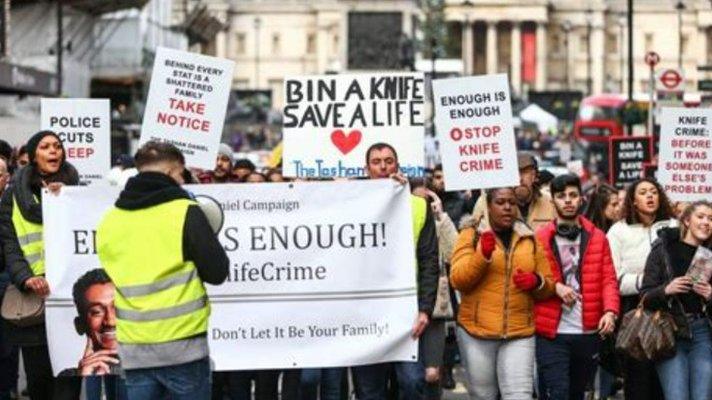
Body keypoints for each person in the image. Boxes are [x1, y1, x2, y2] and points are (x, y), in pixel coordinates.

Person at [96, 141, 229, 399]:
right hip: (184, 347)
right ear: (170, 173)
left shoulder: (109, 220)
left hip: (135, 349)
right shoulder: (185, 212)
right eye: (181, 174)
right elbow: (217, 272)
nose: (183, 181)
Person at [351, 142, 439, 400]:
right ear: (366, 169)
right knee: (370, 390)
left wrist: (425, 309)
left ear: (397, 165)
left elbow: (429, 261)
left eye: (388, 161)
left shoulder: (417, 206)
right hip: (365, 314)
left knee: (412, 383)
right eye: (376, 162)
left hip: (406, 313)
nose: (383, 167)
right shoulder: (351, 204)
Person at [451, 187, 556, 400]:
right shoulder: (470, 235)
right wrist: (482, 256)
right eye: (500, 202)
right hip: (477, 333)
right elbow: (459, 280)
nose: (507, 207)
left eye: (512, 202)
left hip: (519, 332)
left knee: (520, 395)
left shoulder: (529, 238)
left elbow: (549, 286)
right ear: (488, 206)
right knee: (484, 395)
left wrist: (537, 282)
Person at [0, 131, 81, 400]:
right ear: (34, 156)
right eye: (45, 147)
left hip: (70, 299)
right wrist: (26, 278)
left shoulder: (77, 190)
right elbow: (9, 244)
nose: (53, 151)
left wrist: (64, 198)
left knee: (69, 379)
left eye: (58, 146)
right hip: (35, 298)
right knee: (39, 381)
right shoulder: (13, 196)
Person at [533, 175, 620, 400]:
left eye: (573, 195)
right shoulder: (539, 239)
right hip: (552, 332)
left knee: (577, 394)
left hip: (588, 331)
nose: (568, 201)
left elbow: (608, 278)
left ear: (581, 199)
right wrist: (556, 288)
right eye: (561, 196)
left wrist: (610, 312)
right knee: (556, 393)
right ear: (552, 201)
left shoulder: (597, 237)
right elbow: (532, 279)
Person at [606, 177, 674, 400]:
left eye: (654, 191)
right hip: (634, 311)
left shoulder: (673, 226)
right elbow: (612, 277)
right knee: (638, 379)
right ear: (633, 201)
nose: (650, 196)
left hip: (670, 309)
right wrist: (646, 282)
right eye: (643, 192)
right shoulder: (618, 231)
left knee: (666, 380)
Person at [641, 201, 712, 400]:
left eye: (711, 218)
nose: (706, 222)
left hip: (702, 332)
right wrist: (666, 290)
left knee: (702, 396)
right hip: (670, 332)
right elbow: (644, 295)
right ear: (687, 220)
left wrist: (710, 295)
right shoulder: (664, 248)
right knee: (677, 396)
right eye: (701, 216)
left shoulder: (710, 254)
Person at [411, 180, 459, 400]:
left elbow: (455, 254)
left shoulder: (439, 223)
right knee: (408, 377)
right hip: (406, 303)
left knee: (431, 372)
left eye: (428, 200)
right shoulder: (406, 223)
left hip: (434, 308)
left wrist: (441, 217)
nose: (424, 206)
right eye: (418, 200)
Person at [583, 183, 623, 399]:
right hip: (592, 304)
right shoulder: (588, 233)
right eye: (614, 204)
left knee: (607, 358)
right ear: (601, 206)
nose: (618, 209)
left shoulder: (618, 230)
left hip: (610, 304)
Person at [65, 269, 126, 400]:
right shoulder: (71, 371)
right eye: (96, 312)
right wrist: (86, 373)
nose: (110, 321)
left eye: (118, 307)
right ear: (80, 324)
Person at [471, 153, 555, 231]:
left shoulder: (550, 202)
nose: (519, 179)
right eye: (514, 173)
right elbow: (471, 236)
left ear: (535, 177)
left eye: (525, 173)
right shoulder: (486, 202)